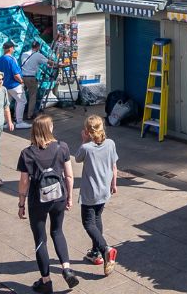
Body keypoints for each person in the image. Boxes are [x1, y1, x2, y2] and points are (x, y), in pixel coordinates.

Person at [17, 115, 78, 292]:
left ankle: (46, 281)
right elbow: (69, 175)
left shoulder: (27, 153)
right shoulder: (62, 147)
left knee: (40, 239)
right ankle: (67, 269)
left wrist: (21, 204)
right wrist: (70, 197)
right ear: (49, 129)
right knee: (58, 232)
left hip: (38, 200)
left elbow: (23, 182)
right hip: (59, 196)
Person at [74, 115, 119, 274]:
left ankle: (105, 249)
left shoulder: (86, 148)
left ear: (87, 131)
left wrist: (84, 140)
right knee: (97, 218)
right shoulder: (110, 143)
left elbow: (78, 159)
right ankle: (96, 253)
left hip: (90, 193)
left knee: (88, 223)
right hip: (104, 191)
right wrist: (114, 184)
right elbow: (114, 166)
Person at [0, 41, 29, 130]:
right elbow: (16, 74)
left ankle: (6, 122)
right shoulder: (11, 59)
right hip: (14, 85)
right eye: (13, 48)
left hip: (4, 85)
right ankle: (19, 122)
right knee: (22, 101)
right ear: (10, 48)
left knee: (6, 104)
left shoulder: (0, 59)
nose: (14, 49)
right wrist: (21, 81)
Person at [19, 41, 51, 122]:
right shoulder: (37, 55)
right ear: (38, 47)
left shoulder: (24, 54)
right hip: (31, 78)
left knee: (20, 97)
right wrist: (58, 64)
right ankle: (29, 115)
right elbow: (48, 61)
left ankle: (17, 115)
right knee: (32, 96)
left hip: (22, 78)